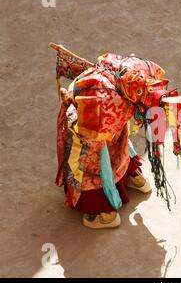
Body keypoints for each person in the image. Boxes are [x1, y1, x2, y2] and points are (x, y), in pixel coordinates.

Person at [53, 48, 172, 229]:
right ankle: (134, 177)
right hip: (117, 113)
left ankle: (105, 213)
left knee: (89, 156)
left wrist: (68, 104)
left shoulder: (105, 98)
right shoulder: (145, 69)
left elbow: (84, 133)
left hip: (99, 119)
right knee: (118, 139)